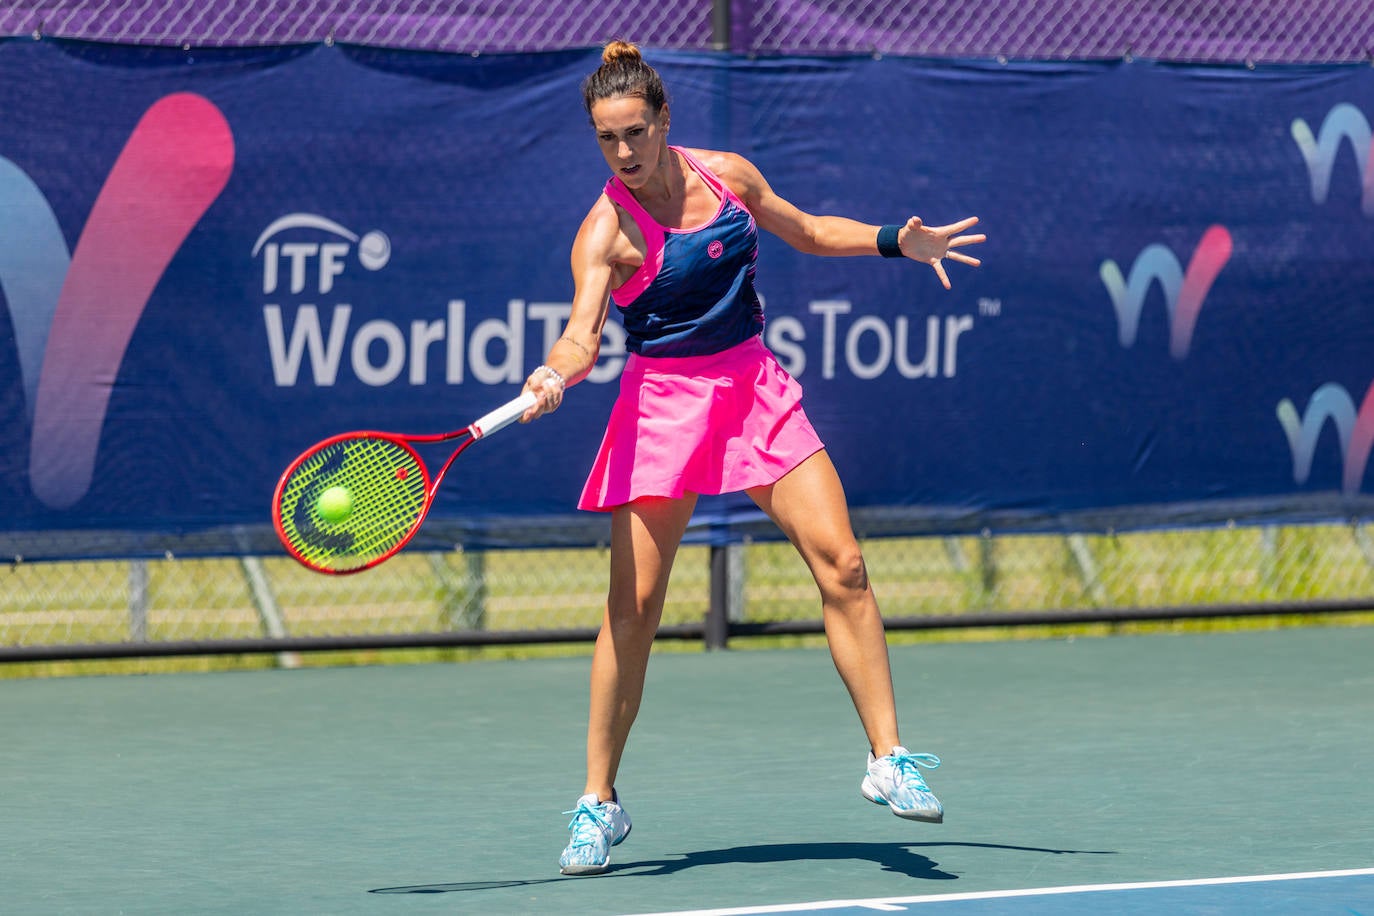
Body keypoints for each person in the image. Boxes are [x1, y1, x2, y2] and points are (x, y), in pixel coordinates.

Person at [517, 40, 985, 876]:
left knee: (844, 565)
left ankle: (888, 759)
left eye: (634, 132)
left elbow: (808, 231)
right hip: (663, 407)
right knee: (634, 610)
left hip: (753, 389)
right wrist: (556, 371)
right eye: (606, 139)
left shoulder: (727, 175)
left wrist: (894, 241)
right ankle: (599, 803)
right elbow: (582, 333)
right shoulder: (606, 229)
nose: (623, 153)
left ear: (664, 121)